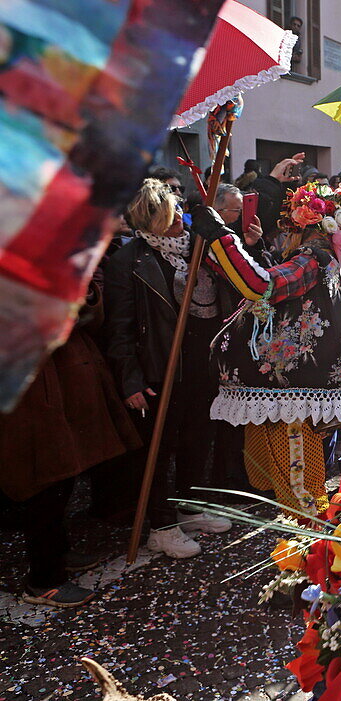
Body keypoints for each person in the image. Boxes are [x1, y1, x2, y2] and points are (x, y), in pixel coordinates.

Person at [191, 179, 341, 516]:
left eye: (286, 225)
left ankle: (310, 549)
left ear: (302, 226)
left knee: (300, 490)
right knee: (295, 480)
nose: (283, 234)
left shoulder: (312, 258)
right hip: (296, 387)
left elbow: (260, 286)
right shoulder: (331, 256)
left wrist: (222, 237)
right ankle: (305, 544)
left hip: (292, 390)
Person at [104, 180, 232, 559]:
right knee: (160, 449)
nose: (181, 216)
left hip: (202, 362)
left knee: (197, 438)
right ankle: (161, 525)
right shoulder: (128, 262)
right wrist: (131, 380)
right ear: (153, 219)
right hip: (160, 367)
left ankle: (187, 506)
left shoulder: (198, 247)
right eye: (172, 212)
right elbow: (120, 329)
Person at [0, 281, 141, 606]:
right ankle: (43, 580)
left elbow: (88, 315)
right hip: (29, 388)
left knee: (64, 476)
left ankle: (58, 552)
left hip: (62, 378)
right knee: (43, 480)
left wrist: (83, 293)